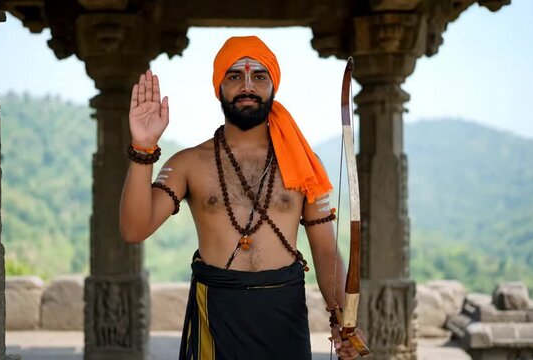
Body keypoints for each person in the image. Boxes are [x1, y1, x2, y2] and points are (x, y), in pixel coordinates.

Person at [119, 35, 365, 360]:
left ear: (273, 86)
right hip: (216, 318)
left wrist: (341, 317)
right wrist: (143, 147)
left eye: (259, 76)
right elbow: (134, 230)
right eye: (235, 76)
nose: (247, 86)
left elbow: (324, 249)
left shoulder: (304, 164)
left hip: (284, 318)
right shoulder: (188, 163)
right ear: (218, 87)